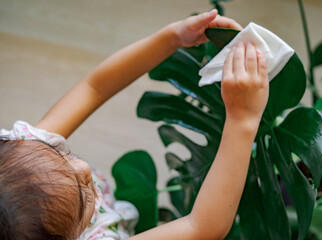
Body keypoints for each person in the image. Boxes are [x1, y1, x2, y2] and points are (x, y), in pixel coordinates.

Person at [0, 9, 269, 240]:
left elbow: (95, 87)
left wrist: (172, 38)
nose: (82, 167)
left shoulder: (24, 155)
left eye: (62, 155)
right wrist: (242, 119)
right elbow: (201, 226)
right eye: (84, 197)